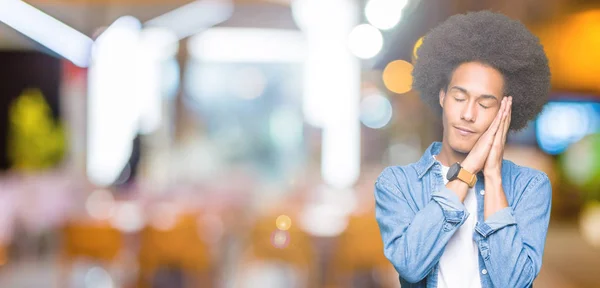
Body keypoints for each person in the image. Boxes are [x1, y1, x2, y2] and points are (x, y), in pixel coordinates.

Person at [374, 10, 552, 288]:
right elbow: (410, 266)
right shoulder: (397, 183)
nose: (468, 114)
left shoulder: (530, 186)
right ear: (442, 96)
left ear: (504, 112)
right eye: (459, 97)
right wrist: (468, 171)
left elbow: (514, 283)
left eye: (484, 104)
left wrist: (493, 177)